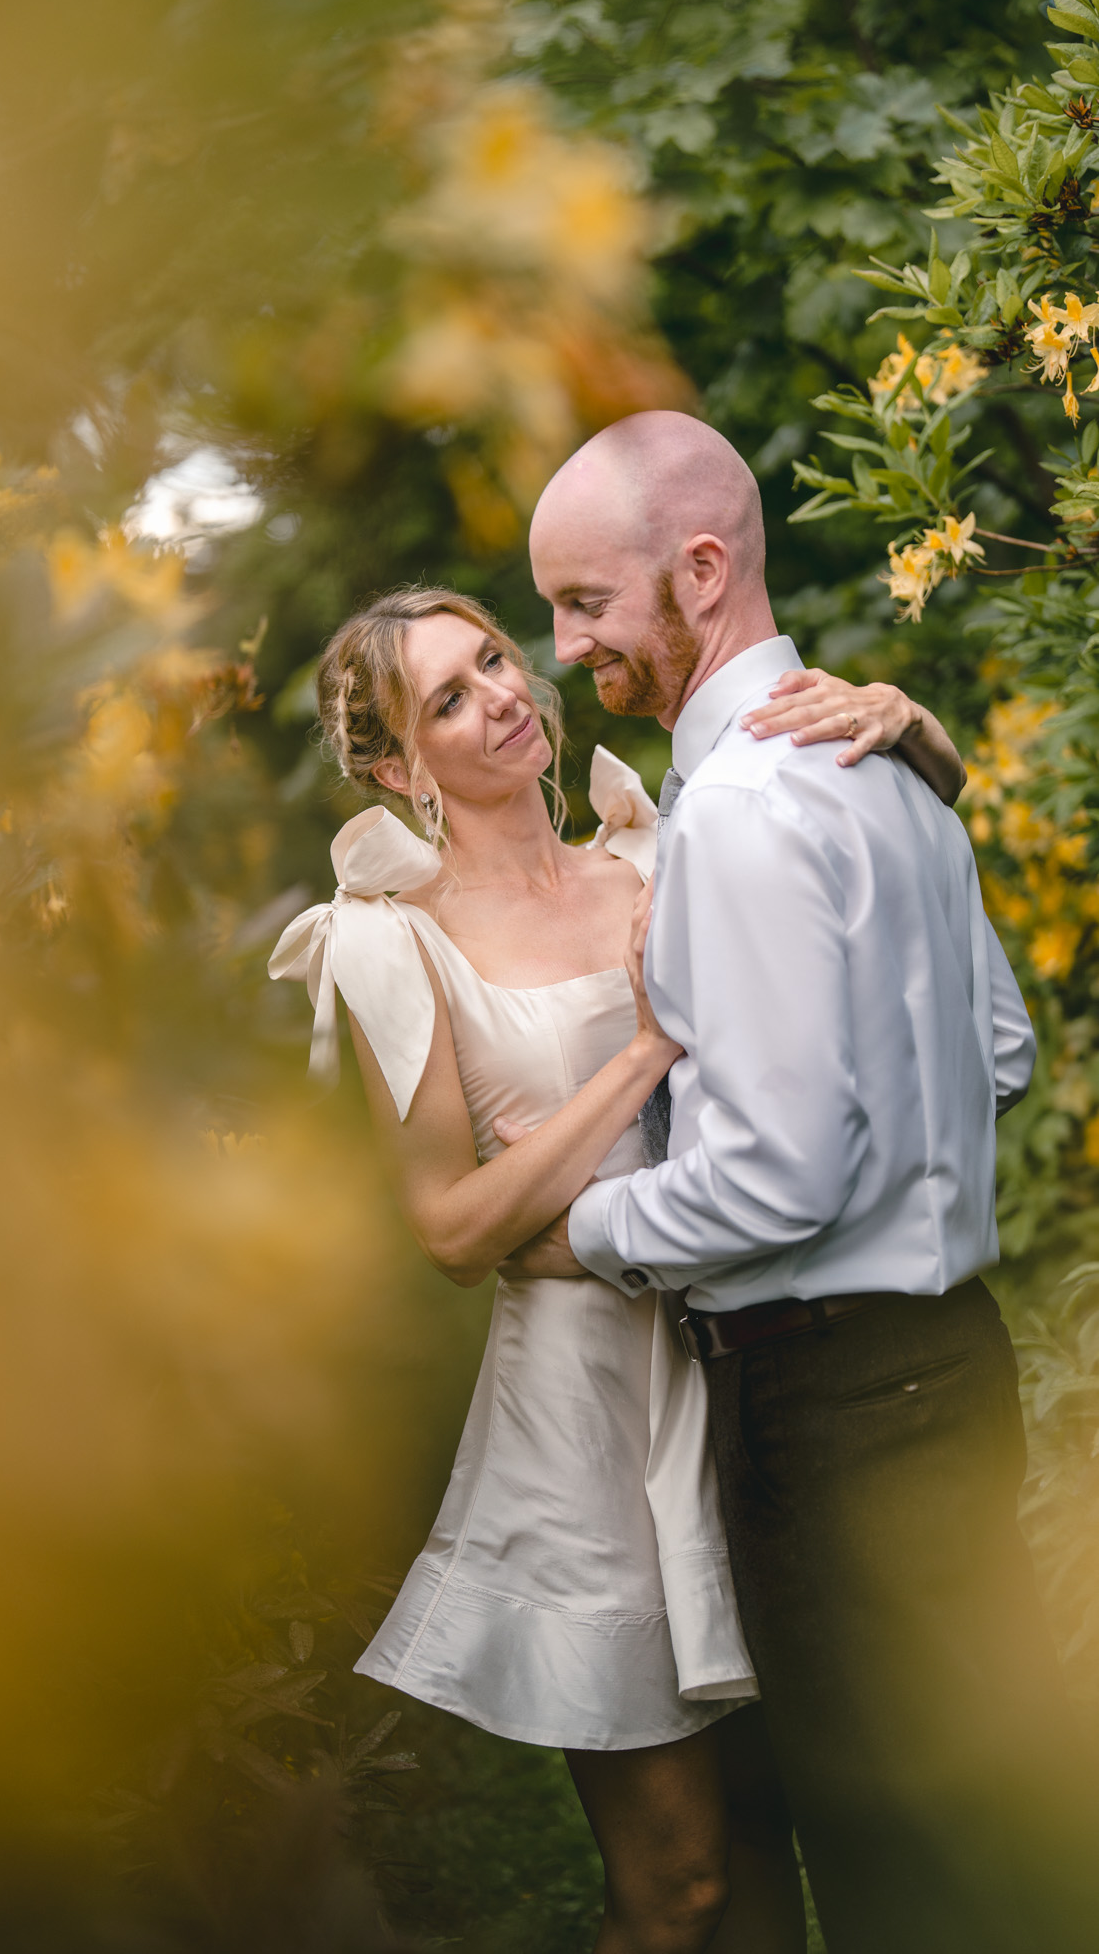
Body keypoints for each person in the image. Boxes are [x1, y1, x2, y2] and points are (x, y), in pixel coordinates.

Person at [269, 583, 967, 1953]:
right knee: (677, 1888)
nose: (504, 697)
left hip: (742, 1364)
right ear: (394, 767)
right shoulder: (392, 944)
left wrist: (910, 730)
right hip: (582, 1414)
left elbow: (875, 916)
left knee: (775, 1835)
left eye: (492, 658)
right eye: (448, 700)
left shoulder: (651, 855)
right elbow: (452, 1232)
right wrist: (645, 1051)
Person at [518, 410, 1085, 1954]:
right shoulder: (887, 765)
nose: (566, 650)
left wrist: (580, 1225)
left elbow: (772, 1183)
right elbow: (1000, 1053)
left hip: (827, 1406)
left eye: (585, 604)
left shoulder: (748, 813)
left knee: (899, 1864)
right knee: (993, 1832)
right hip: (948, 1370)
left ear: (698, 572)